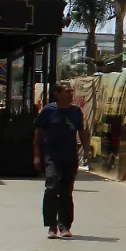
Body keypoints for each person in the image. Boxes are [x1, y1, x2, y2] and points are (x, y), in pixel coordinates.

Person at [33, 81, 91, 239]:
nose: (71, 94)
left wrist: (87, 150)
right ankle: (51, 225)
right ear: (57, 94)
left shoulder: (76, 111)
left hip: (69, 156)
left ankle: (64, 225)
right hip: (51, 156)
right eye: (67, 91)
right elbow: (38, 134)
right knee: (51, 187)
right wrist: (37, 155)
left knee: (66, 191)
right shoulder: (48, 111)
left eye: (72, 91)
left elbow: (82, 131)